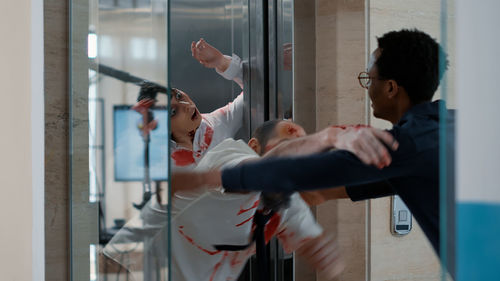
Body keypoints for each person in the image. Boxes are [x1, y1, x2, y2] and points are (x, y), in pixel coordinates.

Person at [173, 29, 453, 264]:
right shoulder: (448, 126)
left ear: (391, 88)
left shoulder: (405, 146)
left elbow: (304, 176)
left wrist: (207, 179)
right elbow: (319, 190)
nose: (366, 88)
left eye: (369, 79)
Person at [104, 120, 346, 281]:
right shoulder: (232, 154)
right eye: (286, 150)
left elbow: (324, 255)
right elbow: (250, 173)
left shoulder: (287, 199)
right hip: (130, 266)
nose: (295, 164)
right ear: (254, 146)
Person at [133, 38, 245, 171]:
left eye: (179, 96)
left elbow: (254, 92)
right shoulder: (162, 161)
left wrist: (222, 62)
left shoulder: (215, 124)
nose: (188, 106)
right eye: (173, 112)